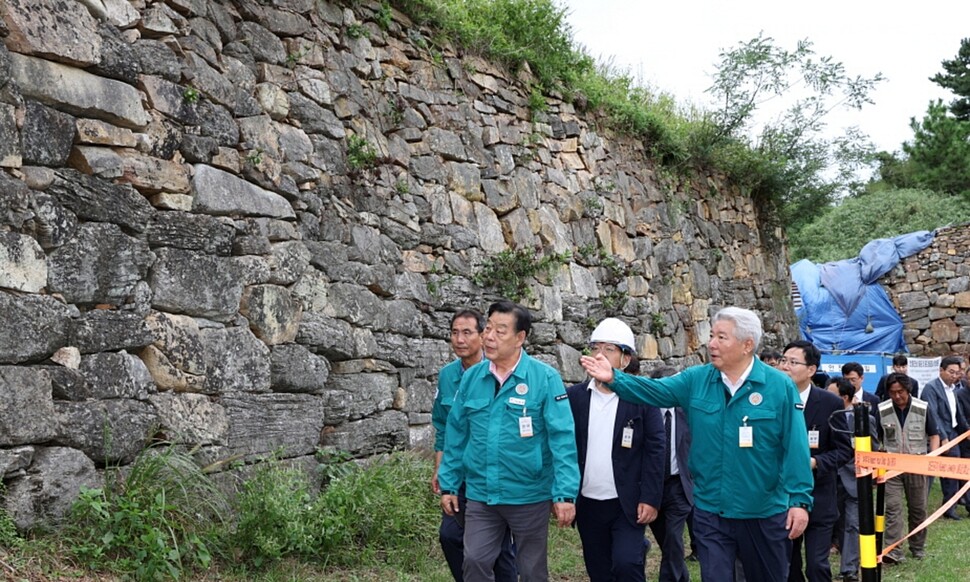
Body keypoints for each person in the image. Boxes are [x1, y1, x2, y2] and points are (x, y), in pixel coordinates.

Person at [580, 306, 814, 582]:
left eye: (721, 337)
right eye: (712, 335)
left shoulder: (778, 386)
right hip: (711, 510)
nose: (711, 343)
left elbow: (796, 446)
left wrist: (799, 500)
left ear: (747, 345)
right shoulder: (697, 379)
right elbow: (656, 391)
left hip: (763, 512)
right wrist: (615, 378)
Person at [438, 300, 579, 581]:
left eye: (500, 331)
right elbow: (456, 434)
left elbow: (562, 438)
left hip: (529, 494)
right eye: (488, 327)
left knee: (531, 570)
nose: (489, 336)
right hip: (481, 493)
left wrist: (564, 494)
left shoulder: (545, 378)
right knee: (475, 560)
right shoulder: (472, 378)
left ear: (520, 338)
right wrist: (449, 483)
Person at [567, 318, 664, 582]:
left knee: (625, 564)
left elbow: (656, 449)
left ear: (625, 358)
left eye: (609, 349)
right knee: (598, 569)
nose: (599, 355)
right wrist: (563, 494)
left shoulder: (642, 398)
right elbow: (564, 447)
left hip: (627, 502)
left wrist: (651, 497)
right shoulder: (575, 397)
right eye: (595, 348)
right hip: (588, 501)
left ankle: (636, 551)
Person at [431, 309, 517, 582]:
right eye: (455, 332)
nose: (459, 339)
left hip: (491, 473)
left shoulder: (497, 371)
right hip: (460, 472)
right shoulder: (447, 377)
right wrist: (441, 471)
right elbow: (444, 427)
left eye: (467, 332)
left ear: (483, 336)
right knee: (450, 535)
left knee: (500, 548)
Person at [780, 341, 851, 582]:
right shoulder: (771, 399)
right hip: (782, 497)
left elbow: (843, 450)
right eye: (783, 361)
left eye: (793, 362)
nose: (785, 367)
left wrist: (816, 462)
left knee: (817, 566)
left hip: (819, 496)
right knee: (788, 566)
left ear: (811, 370)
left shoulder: (829, 403)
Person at [877, 373, 940, 564]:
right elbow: (878, 438)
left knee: (918, 509)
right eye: (892, 392)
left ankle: (918, 547)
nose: (897, 396)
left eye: (901, 392)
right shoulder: (882, 409)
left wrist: (931, 458)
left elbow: (934, 434)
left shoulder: (923, 407)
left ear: (908, 390)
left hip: (917, 464)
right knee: (893, 508)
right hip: (892, 467)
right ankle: (893, 550)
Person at [646, 366, 694, 582]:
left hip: (679, 486)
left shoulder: (688, 414)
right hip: (651, 488)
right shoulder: (645, 413)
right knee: (667, 543)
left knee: (674, 539)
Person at [827, 377, 876, 582]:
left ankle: (849, 568)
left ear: (844, 397)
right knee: (831, 523)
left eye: (830, 393)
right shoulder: (825, 417)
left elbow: (873, 448)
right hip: (829, 478)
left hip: (855, 479)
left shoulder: (864, 418)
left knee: (853, 524)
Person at [920, 354, 968, 520]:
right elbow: (932, 415)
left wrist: (967, 431)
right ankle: (930, 507)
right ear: (941, 370)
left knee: (954, 472)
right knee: (938, 473)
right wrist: (943, 437)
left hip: (954, 434)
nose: (954, 376)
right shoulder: (931, 388)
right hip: (939, 436)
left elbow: (958, 414)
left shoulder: (953, 389)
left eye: (957, 373)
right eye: (951, 372)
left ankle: (951, 506)